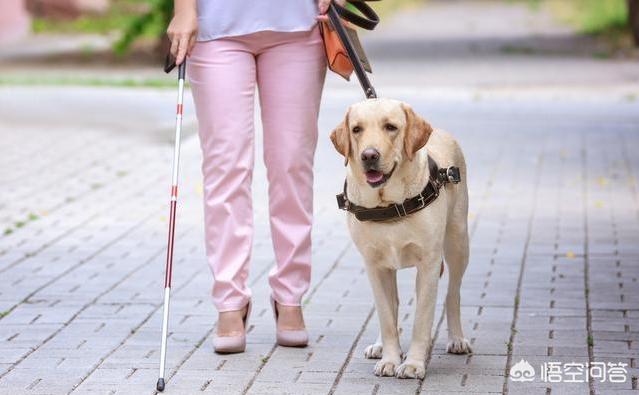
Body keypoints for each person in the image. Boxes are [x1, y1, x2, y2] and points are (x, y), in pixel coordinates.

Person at [167, 0, 340, 353]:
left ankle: (290, 296)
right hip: (215, 27)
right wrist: (183, 8)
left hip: (297, 25)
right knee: (225, 164)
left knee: (292, 163)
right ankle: (230, 300)